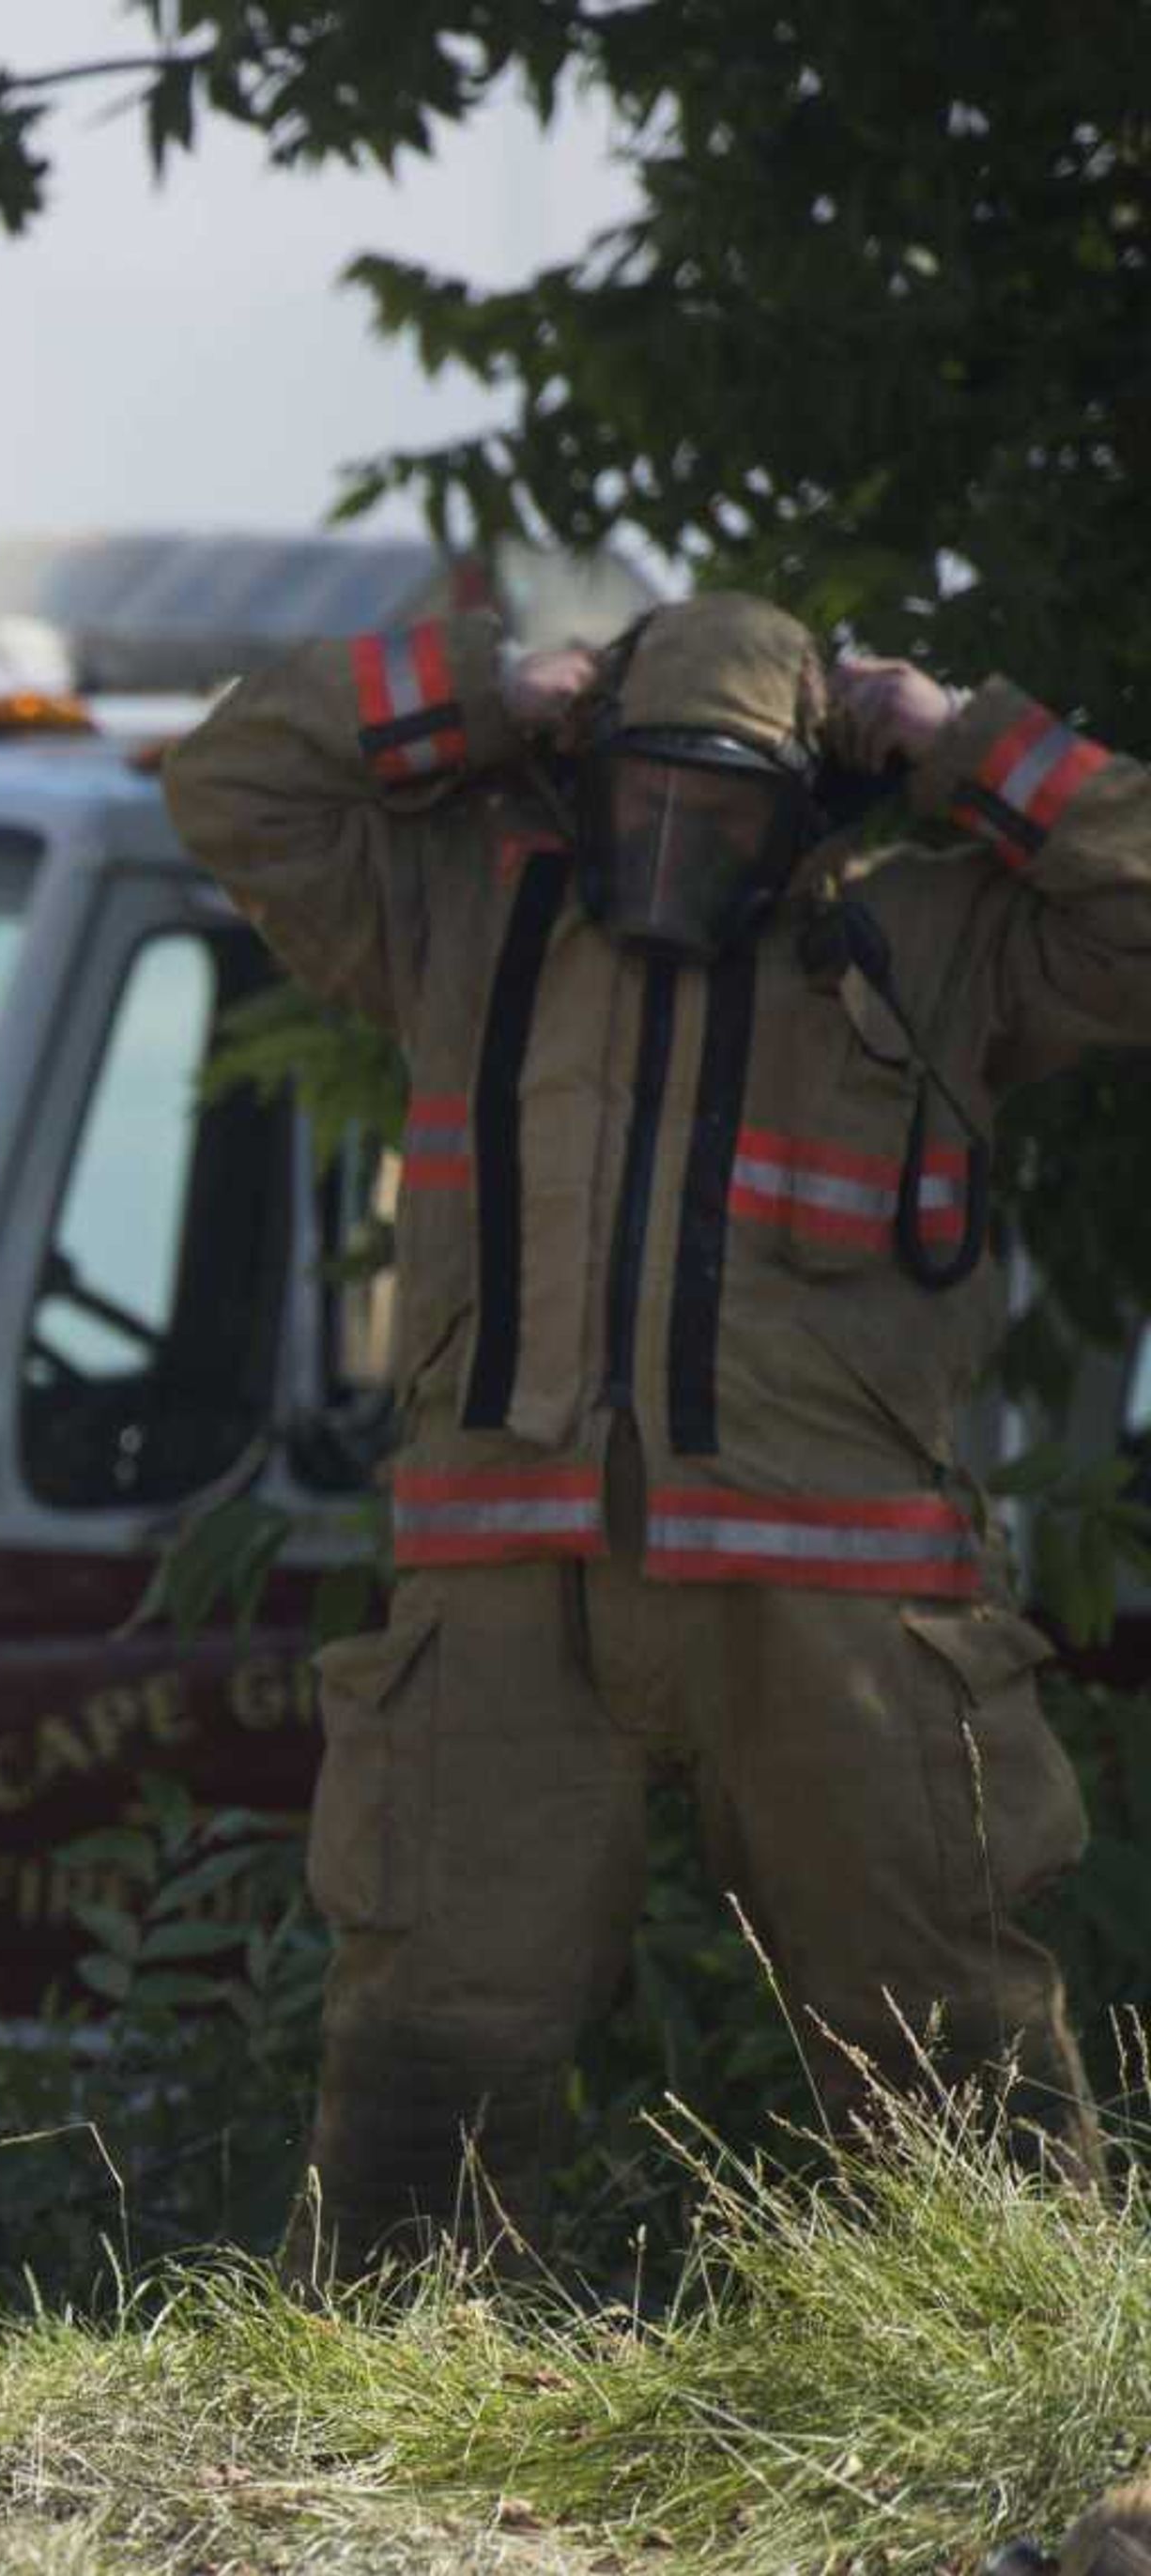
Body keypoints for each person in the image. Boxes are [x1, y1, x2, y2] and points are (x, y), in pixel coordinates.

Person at [164, 592, 1146, 2269]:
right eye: (647, 791)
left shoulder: (929, 930)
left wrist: (960, 733)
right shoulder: (463, 909)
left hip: (839, 1611)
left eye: (728, 804)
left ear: (813, 801)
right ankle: (398, 2406)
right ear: (583, 772)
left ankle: (1016, 2374)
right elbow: (233, 780)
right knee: (432, 2027)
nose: (679, 835)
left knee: (945, 2041)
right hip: (508, 1587)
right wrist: (485, 689)